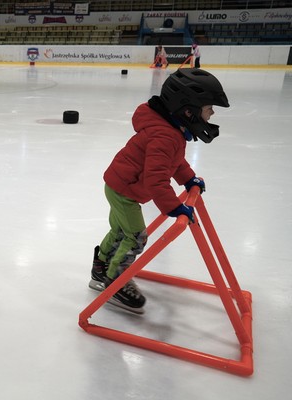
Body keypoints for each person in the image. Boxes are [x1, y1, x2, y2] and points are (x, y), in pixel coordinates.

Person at [88, 69, 230, 314]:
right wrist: (174, 207)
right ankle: (115, 282)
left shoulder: (170, 131)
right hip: (125, 191)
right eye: (209, 108)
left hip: (119, 184)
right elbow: (156, 179)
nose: (212, 113)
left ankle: (101, 268)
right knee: (136, 237)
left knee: (120, 231)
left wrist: (188, 179)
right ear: (188, 111)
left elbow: (173, 162)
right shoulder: (165, 136)